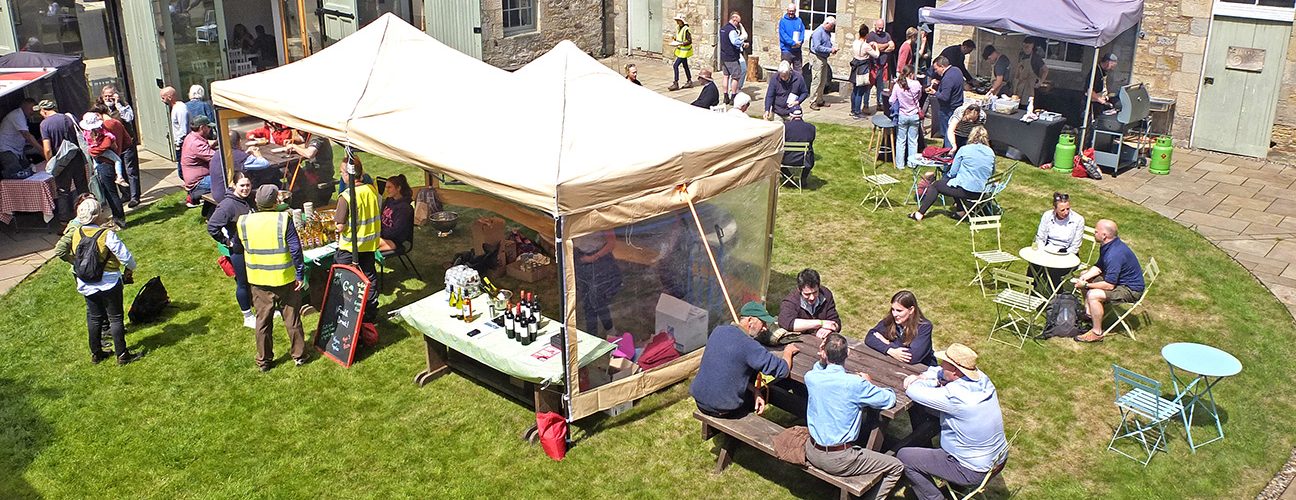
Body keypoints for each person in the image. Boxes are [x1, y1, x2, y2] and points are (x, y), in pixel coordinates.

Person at [899, 343, 1008, 500]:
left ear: (956, 371)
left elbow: (913, 390)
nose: (941, 365)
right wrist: (934, 375)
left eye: (945, 363)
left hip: (971, 470)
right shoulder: (983, 380)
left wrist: (920, 379)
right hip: (997, 461)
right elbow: (937, 371)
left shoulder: (955, 397)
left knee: (905, 456)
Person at [804, 333, 905, 500]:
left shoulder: (812, 378)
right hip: (839, 459)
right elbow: (888, 399)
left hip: (812, 451)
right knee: (896, 466)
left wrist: (822, 359)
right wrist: (869, 383)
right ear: (848, 354)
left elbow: (818, 368)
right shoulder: (855, 384)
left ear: (824, 353)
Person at [237, 185, 308, 371]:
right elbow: (295, 249)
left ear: (256, 201)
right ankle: (299, 356)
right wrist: (300, 274)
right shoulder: (283, 219)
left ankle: (264, 361)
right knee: (291, 319)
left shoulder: (244, 221)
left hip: (258, 280)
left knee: (262, 321)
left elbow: (238, 245)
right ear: (277, 200)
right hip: (284, 279)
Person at [690, 301, 799, 418]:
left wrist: (755, 390)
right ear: (750, 321)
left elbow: (729, 371)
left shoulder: (718, 331)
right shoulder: (750, 346)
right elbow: (783, 371)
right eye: (762, 323)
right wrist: (788, 352)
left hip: (700, 401)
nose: (765, 328)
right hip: (723, 409)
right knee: (759, 388)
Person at [68, 198, 144, 366]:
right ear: (96, 216)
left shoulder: (76, 233)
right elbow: (126, 257)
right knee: (115, 318)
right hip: (109, 282)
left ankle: (96, 353)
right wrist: (130, 268)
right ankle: (122, 355)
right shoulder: (106, 235)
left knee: (94, 318)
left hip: (87, 283)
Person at [1074, 219, 1144, 343]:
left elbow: (1109, 285)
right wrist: (1085, 277)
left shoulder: (1114, 254)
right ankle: (1089, 314)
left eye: (1096, 232)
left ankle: (1096, 333)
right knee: (1085, 274)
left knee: (1093, 294)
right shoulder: (1108, 245)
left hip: (1130, 290)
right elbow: (1100, 265)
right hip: (1120, 281)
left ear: (1104, 235)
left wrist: (1085, 284)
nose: (1094, 233)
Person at [910, 126, 994, 222]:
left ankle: (919, 213)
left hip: (967, 191)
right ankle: (960, 211)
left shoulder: (964, 149)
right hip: (982, 192)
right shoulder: (990, 152)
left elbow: (953, 171)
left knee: (937, 185)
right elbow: (992, 172)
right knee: (955, 182)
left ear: (971, 136)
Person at [334, 155, 380, 325]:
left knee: (346, 282)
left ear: (348, 175)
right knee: (369, 278)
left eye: (341, 173)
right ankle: (370, 313)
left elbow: (339, 226)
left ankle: (349, 315)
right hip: (369, 244)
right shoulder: (371, 190)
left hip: (349, 248)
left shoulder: (346, 196)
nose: (341, 177)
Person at [208, 171, 257, 328]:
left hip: (255, 248)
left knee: (256, 280)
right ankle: (247, 316)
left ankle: (261, 308)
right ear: (234, 185)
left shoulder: (249, 199)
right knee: (242, 283)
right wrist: (226, 241)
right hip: (238, 251)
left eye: (248, 185)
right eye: (242, 185)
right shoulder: (227, 205)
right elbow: (212, 226)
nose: (245, 188)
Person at [79, 112, 127, 226]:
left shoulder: (105, 135)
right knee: (108, 193)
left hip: (106, 166)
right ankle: (117, 218)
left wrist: (92, 151)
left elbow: (103, 147)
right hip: (101, 165)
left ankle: (120, 220)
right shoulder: (92, 134)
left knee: (112, 193)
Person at [865, 290, 935, 366]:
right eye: (893, 309)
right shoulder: (891, 320)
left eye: (899, 310)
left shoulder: (924, 327)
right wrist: (889, 350)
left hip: (923, 370)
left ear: (911, 310)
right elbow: (870, 336)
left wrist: (887, 343)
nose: (894, 314)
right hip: (896, 365)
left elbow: (912, 357)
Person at [91, 103, 141, 207]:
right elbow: (127, 140)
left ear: (97, 114)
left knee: (112, 189)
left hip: (108, 158)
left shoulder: (105, 126)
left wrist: (92, 151)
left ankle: (127, 204)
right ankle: (131, 196)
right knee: (127, 173)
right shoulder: (117, 122)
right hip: (122, 150)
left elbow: (106, 143)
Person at [574, 230, 623, 335]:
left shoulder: (599, 216)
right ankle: (592, 334)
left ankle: (610, 330)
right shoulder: (572, 217)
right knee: (587, 302)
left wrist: (594, 257)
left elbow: (611, 242)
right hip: (580, 259)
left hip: (597, 261)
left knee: (597, 299)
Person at [36, 100, 89, 195]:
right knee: (82, 187)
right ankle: (88, 207)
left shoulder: (44, 124)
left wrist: (51, 163)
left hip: (61, 162)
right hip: (76, 157)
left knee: (63, 191)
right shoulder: (69, 117)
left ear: (44, 111)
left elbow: (47, 149)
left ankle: (68, 210)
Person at [778, 268, 841, 338]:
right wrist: (821, 323)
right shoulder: (791, 301)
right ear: (799, 290)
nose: (812, 297)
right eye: (807, 294)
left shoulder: (826, 294)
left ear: (819, 287)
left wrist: (829, 329)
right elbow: (786, 323)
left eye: (815, 292)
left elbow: (836, 322)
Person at [285, 132, 334, 207]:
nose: (297, 132)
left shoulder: (317, 136)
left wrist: (294, 146)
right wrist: (294, 140)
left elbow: (310, 154)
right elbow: (303, 139)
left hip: (321, 173)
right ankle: (299, 201)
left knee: (296, 179)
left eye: (299, 130)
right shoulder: (311, 134)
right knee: (291, 175)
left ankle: (304, 202)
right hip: (314, 170)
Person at [927, 56, 965, 145]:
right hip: (958, 106)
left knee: (948, 132)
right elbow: (952, 86)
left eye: (936, 69)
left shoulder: (947, 78)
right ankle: (947, 150)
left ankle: (948, 152)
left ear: (942, 67)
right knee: (954, 131)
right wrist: (940, 84)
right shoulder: (957, 70)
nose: (935, 71)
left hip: (948, 109)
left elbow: (944, 97)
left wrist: (934, 92)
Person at [892, 65, 923, 168]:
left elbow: (891, 100)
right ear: (912, 74)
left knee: (901, 140)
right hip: (914, 115)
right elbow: (919, 97)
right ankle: (912, 163)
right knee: (913, 140)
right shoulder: (917, 84)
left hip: (902, 114)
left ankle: (900, 164)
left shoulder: (898, 85)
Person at [180, 116, 216, 205]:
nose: (210, 129)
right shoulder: (196, 143)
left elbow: (206, 146)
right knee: (226, 180)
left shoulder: (191, 136)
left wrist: (217, 142)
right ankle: (194, 196)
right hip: (199, 183)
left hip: (196, 180)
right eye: (209, 127)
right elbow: (217, 158)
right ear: (202, 127)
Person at [0, 98, 40, 178]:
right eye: (31, 108)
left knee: (27, 170)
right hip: (7, 150)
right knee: (16, 173)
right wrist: (41, 150)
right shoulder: (17, 115)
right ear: (24, 106)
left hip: (18, 151)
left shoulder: (23, 117)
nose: (32, 112)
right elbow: (26, 135)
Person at [848, 25, 880, 118]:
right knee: (860, 91)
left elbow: (861, 47)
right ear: (866, 35)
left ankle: (853, 110)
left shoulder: (855, 42)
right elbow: (876, 55)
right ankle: (857, 112)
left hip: (855, 66)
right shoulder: (866, 46)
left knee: (854, 90)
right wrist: (876, 46)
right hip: (863, 68)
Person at [807, 16, 838, 110]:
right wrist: (830, 50)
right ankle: (812, 101)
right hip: (817, 58)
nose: (832, 28)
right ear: (827, 24)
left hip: (823, 58)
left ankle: (819, 100)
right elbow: (817, 47)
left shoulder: (826, 32)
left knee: (823, 80)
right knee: (816, 80)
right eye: (832, 26)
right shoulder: (818, 32)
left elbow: (827, 42)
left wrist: (832, 48)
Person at [864, 19, 895, 111]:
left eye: (882, 28)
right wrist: (885, 45)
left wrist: (880, 48)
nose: (880, 30)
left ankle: (880, 103)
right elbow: (874, 47)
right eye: (879, 28)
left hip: (882, 65)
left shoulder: (887, 35)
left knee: (880, 87)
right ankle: (865, 105)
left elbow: (892, 46)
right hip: (872, 66)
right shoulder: (870, 36)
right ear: (875, 26)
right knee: (868, 87)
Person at [719, 11, 749, 105]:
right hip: (732, 57)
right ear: (734, 20)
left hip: (724, 57)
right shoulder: (732, 30)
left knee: (725, 76)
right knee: (736, 77)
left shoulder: (723, 29)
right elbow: (734, 42)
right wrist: (744, 44)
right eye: (738, 22)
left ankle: (725, 97)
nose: (738, 24)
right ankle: (733, 97)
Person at [379, 174, 414, 252]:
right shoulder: (389, 200)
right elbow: (380, 216)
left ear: (398, 188)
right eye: (386, 187)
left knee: (365, 245)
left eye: (389, 187)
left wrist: (380, 233)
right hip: (382, 234)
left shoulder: (404, 208)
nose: (386, 190)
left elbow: (396, 231)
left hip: (394, 240)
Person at [160, 86, 188, 179]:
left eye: (163, 98)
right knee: (181, 172)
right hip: (180, 144)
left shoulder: (180, 109)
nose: (162, 100)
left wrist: (179, 143)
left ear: (170, 97)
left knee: (183, 172)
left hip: (183, 145)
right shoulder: (175, 108)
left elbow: (183, 129)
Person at [782, 108, 816, 185]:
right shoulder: (811, 127)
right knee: (810, 150)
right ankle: (803, 178)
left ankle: (788, 177)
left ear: (790, 115)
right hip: (805, 160)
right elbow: (811, 140)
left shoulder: (784, 127)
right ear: (802, 115)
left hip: (785, 159)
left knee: (775, 158)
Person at [1012, 37, 1049, 103]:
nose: (1025, 49)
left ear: (1032, 46)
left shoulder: (1036, 57)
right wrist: (1016, 79)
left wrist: (1040, 82)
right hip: (1020, 85)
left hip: (1030, 87)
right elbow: (1018, 68)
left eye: (1027, 47)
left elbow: (1045, 70)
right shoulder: (1021, 55)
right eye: (1024, 46)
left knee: (1027, 105)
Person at [777, 3, 806, 75]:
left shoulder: (799, 20)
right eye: (790, 11)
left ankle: (797, 86)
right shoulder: (783, 21)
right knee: (785, 71)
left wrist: (800, 41)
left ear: (795, 11)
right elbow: (783, 35)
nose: (791, 13)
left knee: (798, 72)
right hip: (786, 51)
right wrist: (793, 43)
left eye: (793, 11)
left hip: (797, 51)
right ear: (787, 10)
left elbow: (802, 31)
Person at [668, 14, 694, 91]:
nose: (676, 22)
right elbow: (680, 37)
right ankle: (689, 81)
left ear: (682, 21)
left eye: (678, 20)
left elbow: (689, 41)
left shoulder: (686, 29)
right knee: (685, 66)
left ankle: (676, 83)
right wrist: (675, 39)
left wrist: (681, 43)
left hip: (684, 51)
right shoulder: (679, 28)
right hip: (681, 50)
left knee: (675, 65)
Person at [1090, 53, 1119, 117]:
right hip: (1093, 104)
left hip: (1101, 100)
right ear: (1107, 62)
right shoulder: (1096, 72)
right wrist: (1103, 102)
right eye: (1111, 66)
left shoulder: (1103, 71)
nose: (1111, 69)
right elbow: (1090, 91)